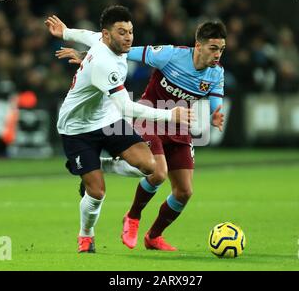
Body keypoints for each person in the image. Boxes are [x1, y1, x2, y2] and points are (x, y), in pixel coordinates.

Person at [49, 17, 226, 251]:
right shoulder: (169, 55)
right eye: (213, 48)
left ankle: (153, 237)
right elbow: (124, 52)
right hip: (149, 117)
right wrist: (89, 59)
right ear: (198, 45)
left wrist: (215, 114)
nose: (217, 54)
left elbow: (216, 100)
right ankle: (132, 217)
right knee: (158, 172)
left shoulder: (216, 73)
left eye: (221, 50)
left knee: (184, 191)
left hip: (178, 125)